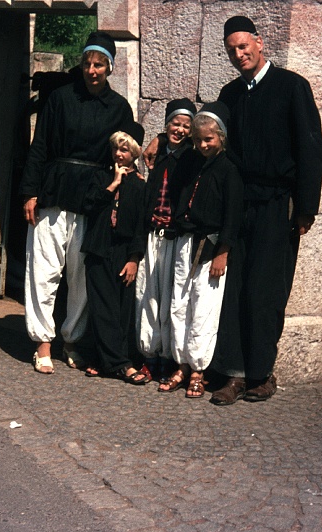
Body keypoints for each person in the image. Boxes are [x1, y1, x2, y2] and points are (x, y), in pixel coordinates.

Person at [208, 15, 322, 403]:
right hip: (241, 205)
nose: (239, 54)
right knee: (235, 289)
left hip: (278, 206)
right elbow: (208, 133)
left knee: (266, 291)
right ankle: (234, 375)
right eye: (232, 50)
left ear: (259, 43)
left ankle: (262, 373)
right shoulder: (230, 94)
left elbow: (311, 148)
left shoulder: (292, 87)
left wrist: (305, 208)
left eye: (243, 46)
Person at [20, 31, 135, 374]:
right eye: (87, 63)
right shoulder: (59, 99)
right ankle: (42, 343)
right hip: (54, 192)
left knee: (81, 275)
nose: (92, 70)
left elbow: (127, 151)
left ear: (110, 67)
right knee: (44, 270)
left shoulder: (119, 108)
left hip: (93, 198)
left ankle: (71, 339)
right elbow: (39, 145)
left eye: (99, 64)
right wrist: (30, 192)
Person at [158, 102, 244, 398]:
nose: (203, 144)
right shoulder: (190, 161)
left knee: (203, 308)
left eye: (209, 139)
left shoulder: (229, 170)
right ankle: (180, 364)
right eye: (198, 139)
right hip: (185, 241)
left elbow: (233, 214)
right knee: (179, 304)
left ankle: (198, 368)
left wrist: (223, 250)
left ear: (221, 137)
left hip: (210, 248)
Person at [81, 124, 150, 384]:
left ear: (133, 153)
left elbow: (141, 226)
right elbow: (89, 205)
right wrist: (113, 184)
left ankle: (102, 360)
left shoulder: (140, 185)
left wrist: (134, 259)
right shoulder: (101, 177)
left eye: (124, 150)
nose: (118, 154)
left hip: (123, 251)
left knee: (121, 308)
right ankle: (122, 365)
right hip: (99, 247)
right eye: (115, 149)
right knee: (102, 307)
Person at [135, 98, 197, 381]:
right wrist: (158, 140)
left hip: (177, 236)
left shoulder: (193, 158)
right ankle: (149, 354)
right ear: (166, 124)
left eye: (186, 125)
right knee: (148, 296)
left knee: (175, 298)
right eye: (175, 123)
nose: (180, 129)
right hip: (152, 233)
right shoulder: (157, 154)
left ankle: (170, 358)